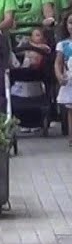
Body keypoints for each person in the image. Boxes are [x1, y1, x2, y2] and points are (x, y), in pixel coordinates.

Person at [54, 13, 72, 146]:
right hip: (69, 80)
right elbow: (58, 63)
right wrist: (60, 76)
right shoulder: (63, 44)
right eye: (70, 23)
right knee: (70, 110)